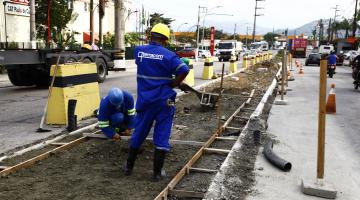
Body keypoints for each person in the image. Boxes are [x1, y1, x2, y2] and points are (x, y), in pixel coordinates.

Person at [123, 23, 189, 181]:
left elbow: (150, 70)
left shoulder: (139, 51)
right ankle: (157, 174)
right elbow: (184, 70)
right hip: (163, 101)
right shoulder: (169, 56)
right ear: (166, 39)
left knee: (139, 132)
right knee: (162, 134)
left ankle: (128, 168)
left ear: (150, 36)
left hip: (145, 101)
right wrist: (174, 83)